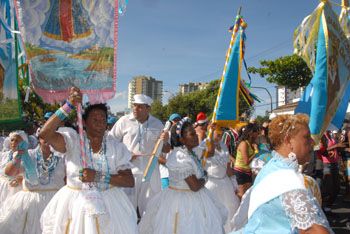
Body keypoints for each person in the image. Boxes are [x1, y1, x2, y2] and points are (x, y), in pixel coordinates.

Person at [39, 87, 138, 234]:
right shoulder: (73, 140)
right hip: (76, 205)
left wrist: (98, 176)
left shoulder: (116, 147)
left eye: (103, 119)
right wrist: (69, 105)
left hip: (111, 206)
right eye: (95, 119)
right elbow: (45, 134)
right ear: (84, 122)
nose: (100, 123)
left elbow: (129, 181)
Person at [230, 114, 332, 234]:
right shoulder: (287, 178)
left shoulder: (272, 166)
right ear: (289, 140)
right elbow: (315, 230)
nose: (312, 142)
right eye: (306, 137)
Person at [139, 118, 227, 234]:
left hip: (197, 198)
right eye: (192, 134)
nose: (196, 136)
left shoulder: (191, 152)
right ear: (182, 139)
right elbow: (194, 186)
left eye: (195, 133)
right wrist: (204, 177)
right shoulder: (179, 157)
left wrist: (211, 132)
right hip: (181, 202)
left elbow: (209, 152)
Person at [110, 94, 168, 217]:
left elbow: (166, 150)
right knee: (126, 210)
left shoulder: (157, 124)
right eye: (134, 106)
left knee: (150, 210)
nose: (135, 109)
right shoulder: (123, 121)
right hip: (128, 172)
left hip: (151, 173)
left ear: (148, 109)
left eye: (140, 107)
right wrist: (125, 154)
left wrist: (166, 141)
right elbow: (110, 142)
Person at [0, 137, 66, 234]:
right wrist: (18, 155)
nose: (48, 138)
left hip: (55, 202)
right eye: (45, 135)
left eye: (52, 135)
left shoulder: (63, 157)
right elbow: (9, 173)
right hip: (32, 202)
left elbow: (68, 179)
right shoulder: (29, 154)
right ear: (39, 138)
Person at [200, 126, 240, 233]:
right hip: (211, 183)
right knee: (213, 211)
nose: (220, 137)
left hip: (225, 183)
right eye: (218, 135)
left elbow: (228, 166)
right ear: (211, 132)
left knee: (230, 208)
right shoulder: (203, 145)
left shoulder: (223, 145)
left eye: (221, 135)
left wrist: (234, 182)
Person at [233, 123, 260, 198]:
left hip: (248, 171)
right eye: (257, 132)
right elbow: (246, 161)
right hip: (240, 171)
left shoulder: (251, 143)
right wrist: (256, 152)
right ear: (251, 133)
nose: (258, 134)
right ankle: (239, 209)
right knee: (242, 195)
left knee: (248, 195)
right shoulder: (244, 143)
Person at [0, 131, 26, 205]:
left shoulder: (27, 156)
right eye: (12, 140)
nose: (14, 142)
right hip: (2, 188)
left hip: (16, 189)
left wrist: (21, 180)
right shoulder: (3, 155)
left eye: (17, 140)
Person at [159, 113, 182, 190]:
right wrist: (170, 164)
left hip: (179, 176)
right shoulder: (164, 135)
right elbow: (157, 156)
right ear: (170, 123)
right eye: (174, 121)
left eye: (179, 121)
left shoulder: (183, 136)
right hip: (166, 174)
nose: (177, 123)